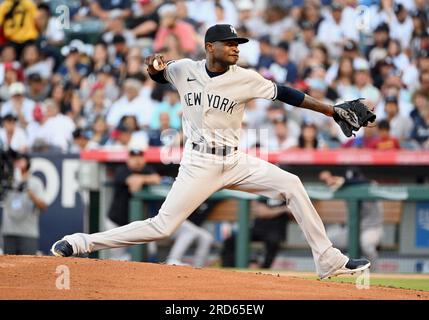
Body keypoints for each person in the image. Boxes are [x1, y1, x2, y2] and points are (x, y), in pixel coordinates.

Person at [51, 24, 370, 279]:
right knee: (163, 226)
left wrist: (331, 111)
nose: (235, 48)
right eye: (230, 43)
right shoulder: (185, 69)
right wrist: (152, 67)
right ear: (210, 47)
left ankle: (327, 259)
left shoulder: (246, 78)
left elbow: (287, 94)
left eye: (237, 44)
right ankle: (83, 242)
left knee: (292, 185)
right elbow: (160, 73)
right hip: (198, 162)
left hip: (234, 159)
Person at [105, 148, 161, 260]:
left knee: (151, 250)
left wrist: (141, 179)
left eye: (139, 157)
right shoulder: (122, 169)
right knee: (117, 258)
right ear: (128, 159)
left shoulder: (147, 169)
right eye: (134, 158)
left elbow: (157, 179)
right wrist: (144, 179)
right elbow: (133, 182)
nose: (137, 161)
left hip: (136, 223)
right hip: (117, 222)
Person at [319, 169, 384, 265]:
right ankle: (339, 268)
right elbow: (331, 182)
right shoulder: (344, 187)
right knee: (327, 240)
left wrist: (345, 182)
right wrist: (329, 178)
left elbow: (364, 182)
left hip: (371, 229)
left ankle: (374, 274)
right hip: (351, 230)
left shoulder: (371, 185)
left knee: (366, 246)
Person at [221, 198, 290, 269]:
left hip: (275, 231)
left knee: (273, 241)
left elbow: (292, 212)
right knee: (230, 240)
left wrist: (271, 211)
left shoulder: (287, 197)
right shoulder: (264, 194)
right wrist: (283, 209)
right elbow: (262, 212)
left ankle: (264, 270)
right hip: (257, 230)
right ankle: (228, 269)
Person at [1, 153, 47, 254]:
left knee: (28, 266)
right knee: (8, 267)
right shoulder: (6, 181)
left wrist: (32, 196)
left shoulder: (35, 182)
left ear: (28, 163)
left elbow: (44, 206)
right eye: (15, 162)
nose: (17, 164)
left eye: (20, 161)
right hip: (8, 232)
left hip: (28, 233)